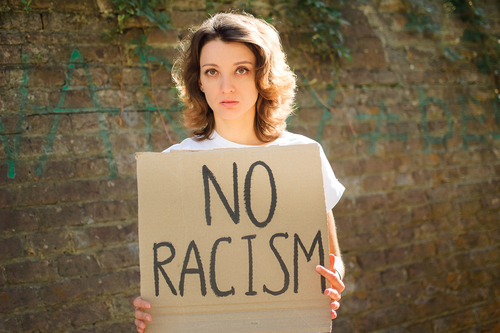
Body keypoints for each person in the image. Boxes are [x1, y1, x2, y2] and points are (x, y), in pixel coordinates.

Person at [133, 12, 345, 333]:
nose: (226, 86)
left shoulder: (302, 156)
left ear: (263, 75)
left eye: (241, 70)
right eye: (212, 71)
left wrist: (331, 284)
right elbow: (173, 277)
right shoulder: (174, 166)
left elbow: (331, 258)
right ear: (199, 81)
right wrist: (154, 313)